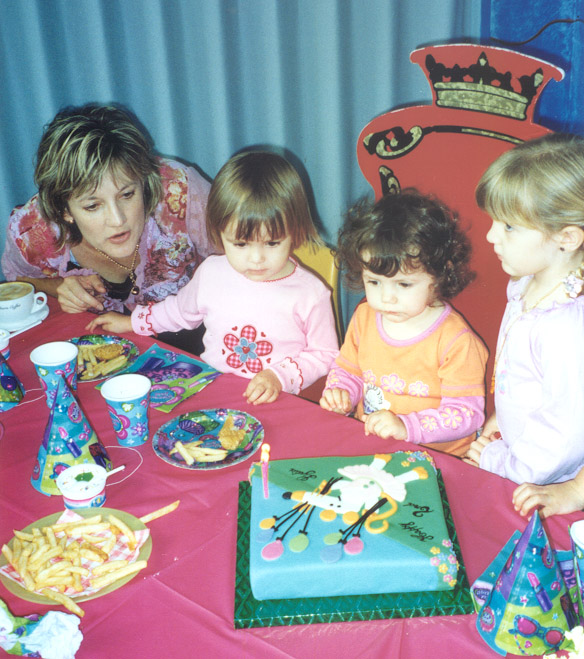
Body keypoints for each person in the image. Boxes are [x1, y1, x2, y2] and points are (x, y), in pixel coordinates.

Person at [86, 150, 339, 405]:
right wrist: (132, 322)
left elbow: (325, 354)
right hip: (214, 395)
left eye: (272, 243)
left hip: (278, 401)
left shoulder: (310, 293)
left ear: (295, 231)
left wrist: (279, 376)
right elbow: (178, 312)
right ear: (220, 233)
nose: (256, 259)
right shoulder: (211, 273)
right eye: (241, 244)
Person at [2, 103, 213, 326]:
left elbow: (238, 261)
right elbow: (15, 282)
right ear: (64, 210)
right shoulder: (31, 230)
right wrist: (57, 287)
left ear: (143, 182)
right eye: (93, 206)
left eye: (127, 194)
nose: (117, 220)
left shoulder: (182, 192)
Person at [319, 190, 488, 456]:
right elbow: (348, 371)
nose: (387, 298)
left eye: (404, 284)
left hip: (438, 458)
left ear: (438, 276)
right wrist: (340, 393)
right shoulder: (364, 317)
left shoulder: (457, 341)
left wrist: (407, 427)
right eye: (374, 282)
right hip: (374, 445)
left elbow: (467, 414)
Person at [465, 133, 584, 488]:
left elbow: (565, 433)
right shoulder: (525, 283)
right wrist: (502, 421)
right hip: (515, 452)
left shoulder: (566, 328)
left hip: (539, 479)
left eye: (509, 227)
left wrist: (502, 463)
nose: (491, 236)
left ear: (566, 238)